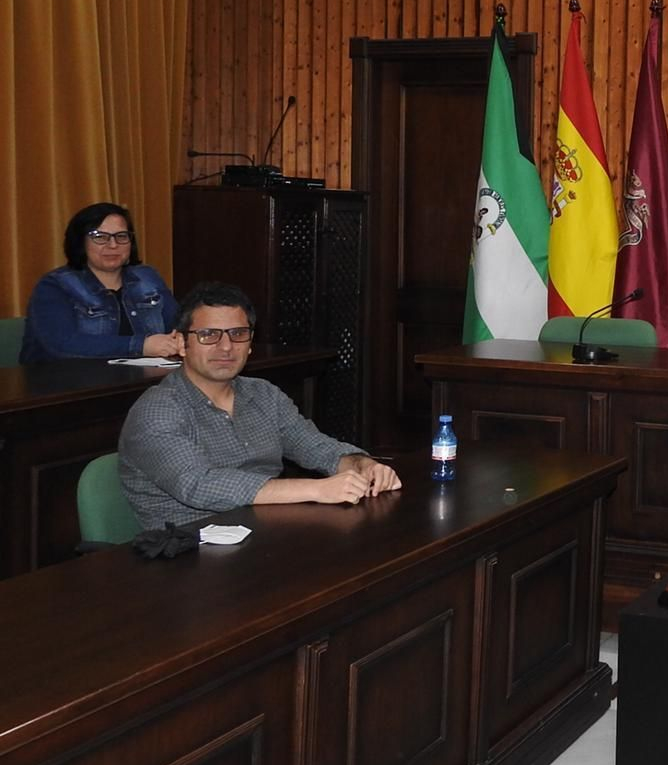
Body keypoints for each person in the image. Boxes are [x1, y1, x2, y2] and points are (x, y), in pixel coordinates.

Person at [119, 281, 400, 528]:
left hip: (267, 534)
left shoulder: (264, 395)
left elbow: (315, 447)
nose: (226, 347)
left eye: (238, 333)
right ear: (181, 343)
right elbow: (198, 485)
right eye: (209, 335)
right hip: (189, 548)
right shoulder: (157, 410)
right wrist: (316, 489)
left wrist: (362, 466)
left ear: (250, 343)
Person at [19, 202, 182, 363]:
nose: (113, 245)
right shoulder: (55, 285)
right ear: (80, 242)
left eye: (121, 236)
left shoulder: (147, 277)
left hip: (145, 375)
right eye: (100, 237)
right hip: (67, 378)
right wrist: (141, 345)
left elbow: (179, 326)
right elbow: (63, 344)